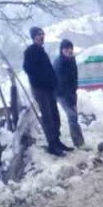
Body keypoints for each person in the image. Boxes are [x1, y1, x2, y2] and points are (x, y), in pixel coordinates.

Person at [22, 27, 70, 156]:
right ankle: (52, 145)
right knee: (47, 117)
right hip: (40, 89)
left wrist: (53, 81)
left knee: (55, 115)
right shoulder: (30, 51)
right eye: (39, 34)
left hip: (49, 89)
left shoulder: (41, 50)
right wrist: (40, 81)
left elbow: (47, 69)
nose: (42, 36)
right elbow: (28, 69)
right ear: (33, 36)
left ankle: (57, 141)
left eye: (43, 34)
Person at [53, 39, 85, 148]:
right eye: (66, 49)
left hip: (71, 92)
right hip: (60, 93)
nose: (69, 51)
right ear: (62, 50)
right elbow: (63, 83)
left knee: (74, 115)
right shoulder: (59, 63)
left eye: (71, 48)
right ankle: (79, 143)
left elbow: (74, 79)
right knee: (72, 115)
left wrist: (74, 97)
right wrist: (71, 101)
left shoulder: (72, 60)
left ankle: (79, 142)